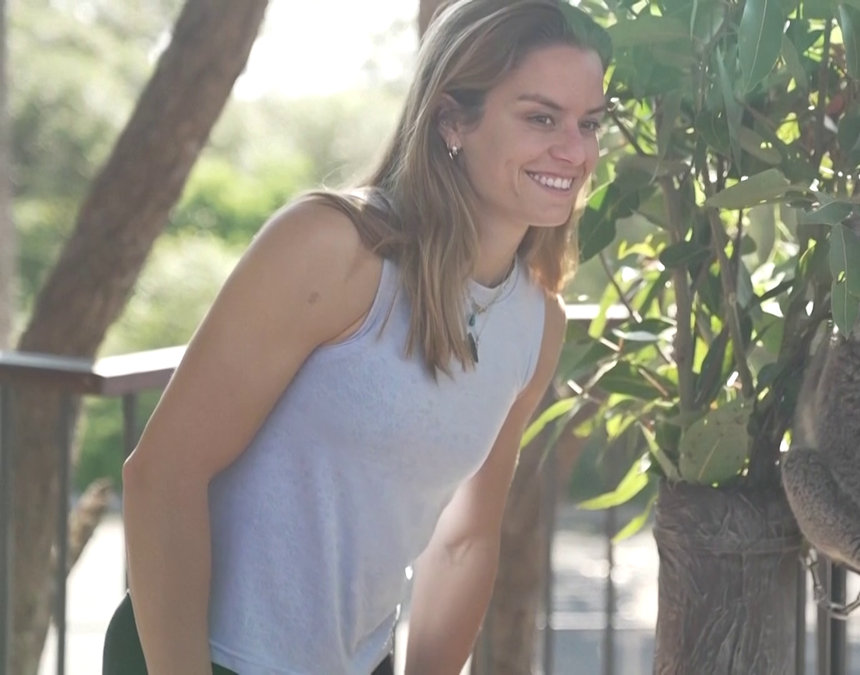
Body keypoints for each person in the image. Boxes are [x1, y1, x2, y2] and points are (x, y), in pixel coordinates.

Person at [101, 0, 612, 673]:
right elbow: (163, 474)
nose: (575, 151)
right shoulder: (334, 248)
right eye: (541, 118)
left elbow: (463, 540)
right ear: (452, 120)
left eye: (589, 123)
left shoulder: (536, 323)